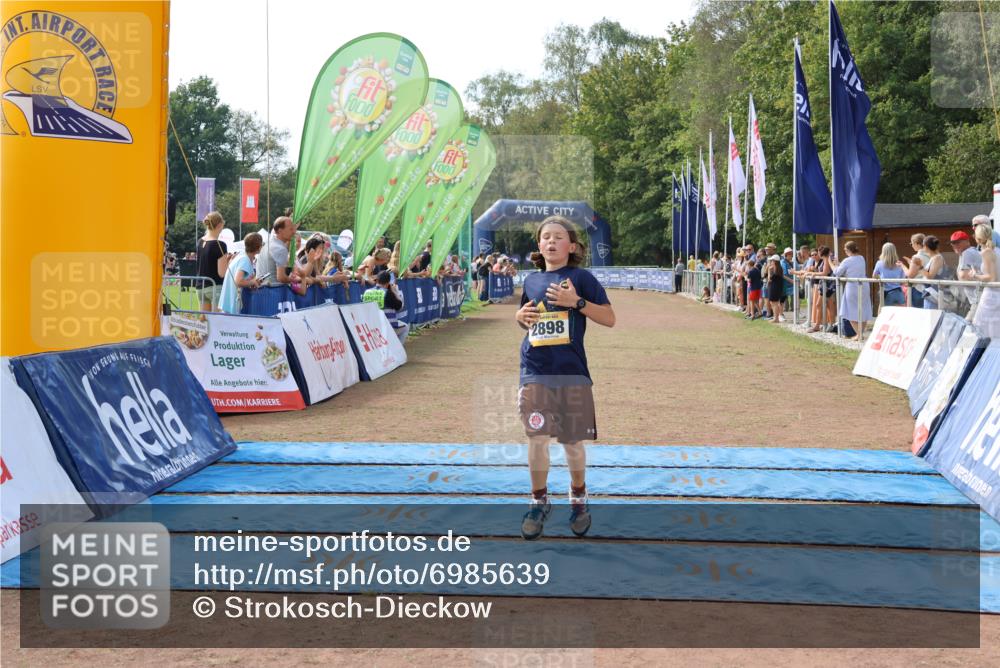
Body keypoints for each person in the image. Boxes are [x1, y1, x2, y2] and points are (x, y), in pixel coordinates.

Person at [514, 216, 615, 540]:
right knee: (537, 437)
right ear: (539, 245)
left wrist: (577, 303)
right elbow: (527, 318)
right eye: (546, 237)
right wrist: (519, 317)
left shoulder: (581, 277)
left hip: (571, 373)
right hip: (535, 369)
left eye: (559, 237)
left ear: (572, 246)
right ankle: (538, 501)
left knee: (572, 443)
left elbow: (609, 318)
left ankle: (578, 500)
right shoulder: (530, 281)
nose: (551, 241)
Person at [832, 240, 872, 339]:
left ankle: (859, 334)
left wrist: (832, 263)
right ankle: (860, 333)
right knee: (863, 309)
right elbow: (850, 269)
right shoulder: (861, 258)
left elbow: (837, 272)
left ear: (849, 250)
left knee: (849, 311)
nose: (845, 252)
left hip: (852, 286)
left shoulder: (847, 260)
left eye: (845, 250)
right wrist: (840, 264)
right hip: (864, 286)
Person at [219, 233, 263, 314]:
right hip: (233, 305)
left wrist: (252, 283)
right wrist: (253, 281)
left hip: (229, 304)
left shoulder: (241, 256)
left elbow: (242, 280)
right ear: (259, 247)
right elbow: (238, 281)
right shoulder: (244, 260)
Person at [363, 270, 409, 344]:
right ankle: (397, 350)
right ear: (388, 283)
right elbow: (400, 307)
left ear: (377, 280)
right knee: (406, 327)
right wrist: (395, 291)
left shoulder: (367, 292)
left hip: (371, 326)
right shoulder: (388, 293)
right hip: (387, 326)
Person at [195, 211, 229, 311]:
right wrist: (229, 262)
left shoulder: (200, 241)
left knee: (205, 323)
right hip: (215, 287)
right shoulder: (220, 245)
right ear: (219, 225)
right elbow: (222, 273)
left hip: (200, 287)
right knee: (216, 322)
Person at [971, 222, 1000, 338]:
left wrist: (975, 275)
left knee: (984, 331)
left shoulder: (986, 252)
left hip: (992, 295)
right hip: (996, 293)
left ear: (978, 239)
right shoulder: (997, 250)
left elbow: (991, 278)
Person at [256, 216, 298, 288]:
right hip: (274, 291)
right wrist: (296, 280)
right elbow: (281, 278)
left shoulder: (269, 242)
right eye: (291, 229)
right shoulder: (280, 249)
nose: (294, 232)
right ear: (280, 231)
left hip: (262, 290)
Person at [951, 230, 983, 319]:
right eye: (953, 243)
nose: (955, 245)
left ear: (967, 241)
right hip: (976, 299)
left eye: (958, 242)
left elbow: (963, 276)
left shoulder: (967, 252)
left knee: (968, 327)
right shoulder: (965, 253)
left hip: (978, 299)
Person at [807, 246, 836, 333]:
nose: (817, 254)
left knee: (819, 305)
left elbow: (825, 273)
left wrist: (813, 273)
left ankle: (819, 325)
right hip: (825, 285)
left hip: (826, 285)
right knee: (827, 305)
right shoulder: (825, 259)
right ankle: (828, 324)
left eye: (818, 252)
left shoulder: (826, 259)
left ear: (821, 252)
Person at [899, 233, 929, 307]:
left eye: (911, 243)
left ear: (916, 243)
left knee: (917, 314)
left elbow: (910, 275)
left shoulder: (917, 257)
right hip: (928, 289)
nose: (912, 245)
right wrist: (911, 263)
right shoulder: (930, 256)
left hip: (918, 289)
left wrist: (902, 266)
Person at [872, 242, 906, 307]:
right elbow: (902, 281)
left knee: (883, 311)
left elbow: (874, 276)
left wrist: (881, 278)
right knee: (899, 313)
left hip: (886, 292)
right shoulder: (899, 264)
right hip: (898, 292)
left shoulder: (879, 263)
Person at [766, 256, 785, 323]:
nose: (771, 262)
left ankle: (776, 318)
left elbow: (769, 279)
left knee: (774, 303)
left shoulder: (773, 269)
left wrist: (768, 270)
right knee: (775, 302)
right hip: (777, 287)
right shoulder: (779, 268)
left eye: (772, 261)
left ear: (774, 261)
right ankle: (776, 317)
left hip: (774, 287)